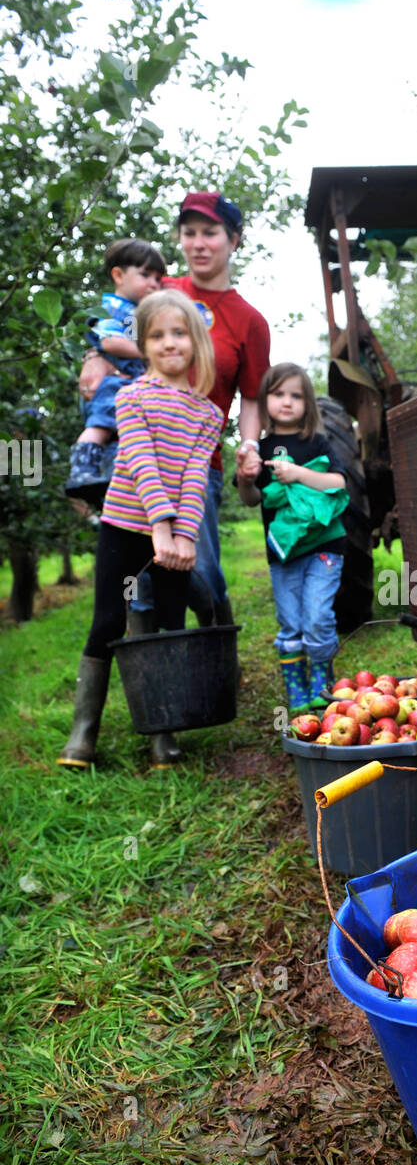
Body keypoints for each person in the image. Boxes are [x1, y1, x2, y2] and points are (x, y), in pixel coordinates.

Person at [78, 191, 270, 629]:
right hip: (137, 459)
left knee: (197, 573)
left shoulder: (248, 320)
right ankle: (150, 685)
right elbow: (115, 335)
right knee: (138, 584)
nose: (198, 243)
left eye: (210, 233)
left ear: (233, 239)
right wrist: (95, 357)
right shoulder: (158, 291)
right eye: (189, 233)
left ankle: (214, 669)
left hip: (197, 462)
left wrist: (250, 445)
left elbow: (253, 399)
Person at [58, 290, 223, 771]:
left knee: (171, 623)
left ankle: (162, 729)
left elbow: (194, 475)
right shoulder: (129, 398)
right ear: (142, 344)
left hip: (174, 533)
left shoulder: (207, 413)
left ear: (194, 342)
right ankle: (83, 734)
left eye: (178, 334)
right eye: (157, 335)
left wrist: (185, 534)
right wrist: (160, 529)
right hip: (127, 525)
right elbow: (142, 465)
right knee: (109, 621)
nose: (169, 344)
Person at [236, 364, 349, 713]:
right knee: (290, 624)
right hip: (283, 553)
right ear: (264, 400)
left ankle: (322, 681)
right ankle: (296, 690)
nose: (287, 402)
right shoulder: (260, 449)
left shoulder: (315, 442)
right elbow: (251, 500)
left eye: (296, 395)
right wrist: (244, 477)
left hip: (323, 547)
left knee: (317, 616)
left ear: (308, 403)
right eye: (278, 394)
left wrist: (297, 474)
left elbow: (339, 483)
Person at [65, 239, 165, 504]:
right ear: (118, 275)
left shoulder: (139, 312)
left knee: (121, 434)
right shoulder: (112, 308)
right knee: (101, 425)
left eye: (158, 278)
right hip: (111, 384)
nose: (153, 284)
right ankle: (81, 470)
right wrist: (149, 352)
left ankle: (110, 477)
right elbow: (109, 341)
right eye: (145, 275)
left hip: (131, 388)